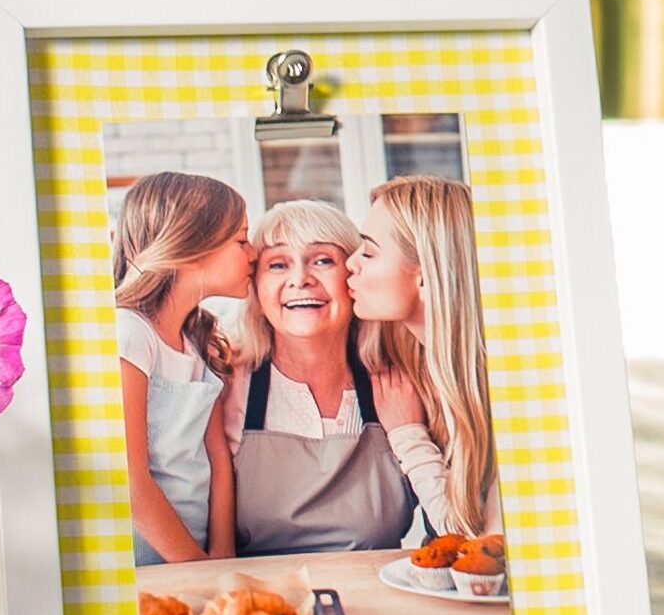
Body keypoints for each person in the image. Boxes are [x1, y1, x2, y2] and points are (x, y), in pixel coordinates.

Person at [222, 199, 418, 556]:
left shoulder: (400, 386)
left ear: (354, 277)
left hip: (382, 599)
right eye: (278, 264)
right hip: (261, 604)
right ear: (255, 288)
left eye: (323, 260)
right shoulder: (225, 387)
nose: (300, 279)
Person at [350, 175, 500, 539]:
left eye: (369, 253)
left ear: (426, 279)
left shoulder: (508, 386)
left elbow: (478, 547)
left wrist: (408, 435)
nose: (350, 265)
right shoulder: (417, 361)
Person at [112, 173, 251, 565]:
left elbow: (218, 458)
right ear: (192, 249)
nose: (254, 253)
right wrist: (196, 568)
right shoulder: (129, 334)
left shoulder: (198, 340)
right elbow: (130, 480)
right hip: (150, 563)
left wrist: (221, 559)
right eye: (242, 240)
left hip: (199, 560)